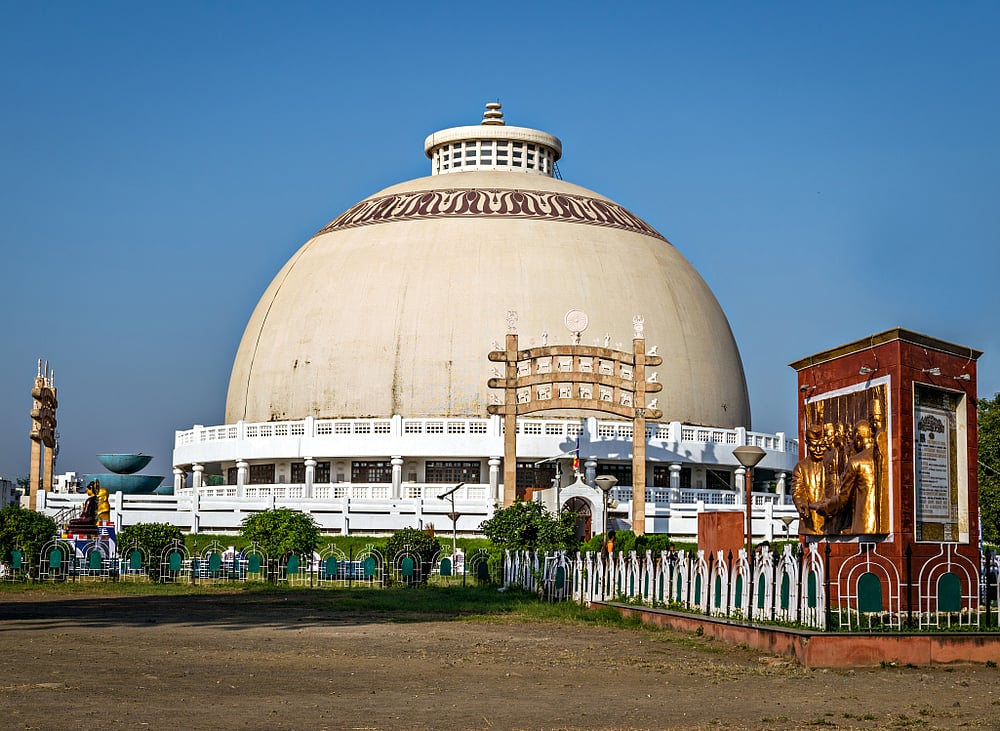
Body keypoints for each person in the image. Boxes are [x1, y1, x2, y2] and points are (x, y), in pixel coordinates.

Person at [811, 420, 884, 534]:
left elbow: (843, 498)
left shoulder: (856, 461)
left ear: (857, 438)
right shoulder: (883, 456)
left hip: (865, 524)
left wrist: (824, 507)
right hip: (882, 522)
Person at [791, 425, 829, 534]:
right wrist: (801, 504)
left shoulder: (833, 463)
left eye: (822, 446)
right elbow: (797, 491)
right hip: (811, 521)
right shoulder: (801, 467)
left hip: (831, 520)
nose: (818, 450)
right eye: (813, 446)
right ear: (807, 444)